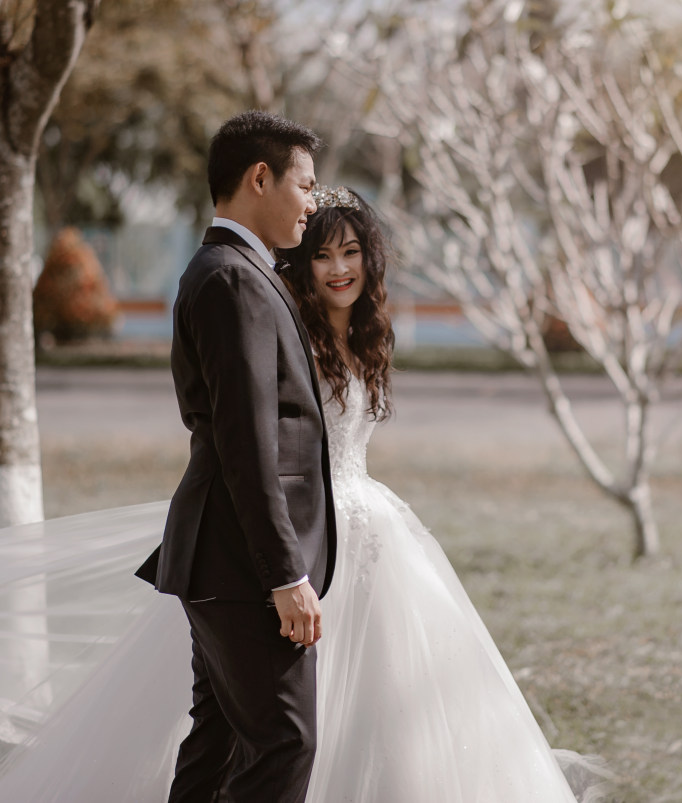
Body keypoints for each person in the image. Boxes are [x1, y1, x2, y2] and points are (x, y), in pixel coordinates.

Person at [275, 186, 612, 802]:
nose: (340, 268)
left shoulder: (373, 334)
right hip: (314, 526)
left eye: (351, 252)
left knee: (397, 688)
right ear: (304, 262)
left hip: (374, 525)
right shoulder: (294, 335)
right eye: (323, 256)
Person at [135, 111, 337, 803]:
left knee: (219, 741)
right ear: (260, 177)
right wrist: (285, 573)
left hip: (224, 556)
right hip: (243, 564)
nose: (314, 202)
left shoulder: (239, 270)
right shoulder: (231, 280)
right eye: (305, 184)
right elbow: (245, 441)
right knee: (286, 742)